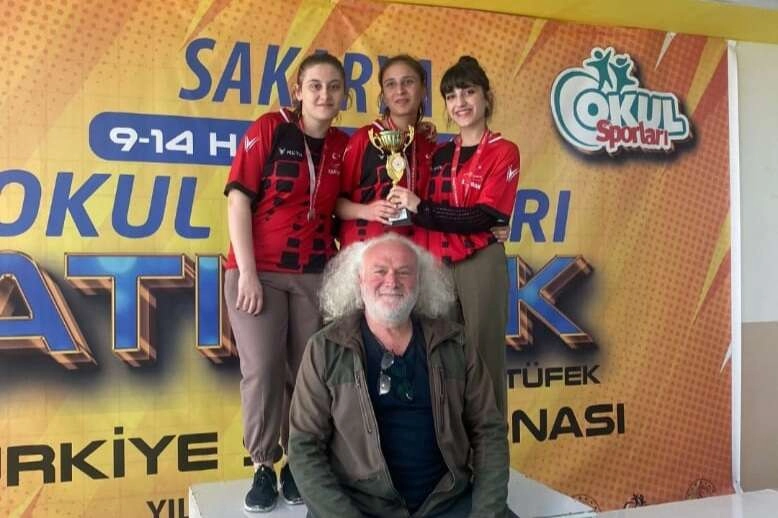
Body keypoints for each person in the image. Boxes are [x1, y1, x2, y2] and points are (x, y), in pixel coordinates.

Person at [288, 234, 509, 517]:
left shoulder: (456, 344)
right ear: (358, 280)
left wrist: (486, 513)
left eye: (404, 272)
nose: (391, 281)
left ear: (420, 281)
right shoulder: (324, 348)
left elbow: (489, 431)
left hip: (448, 504)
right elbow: (304, 446)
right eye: (379, 271)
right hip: (358, 508)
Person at [223, 52, 349, 513]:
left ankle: (298, 461)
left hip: (315, 273)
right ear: (298, 90)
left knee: (306, 373)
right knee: (263, 369)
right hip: (259, 272)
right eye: (315, 85)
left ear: (343, 94)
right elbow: (238, 201)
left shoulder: (343, 146)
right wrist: (248, 273)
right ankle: (263, 464)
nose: (324, 94)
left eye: (333, 86)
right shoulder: (270, 128)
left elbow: (343, 206)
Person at [389, 56, 521, 417]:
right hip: (438, 262)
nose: (460, 102)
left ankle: (491, 449)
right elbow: (413, 192)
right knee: (442, 357)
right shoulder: (439, 152)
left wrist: (422, 208)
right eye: (451, 96)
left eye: (468, 92)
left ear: (486, 98)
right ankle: (449, 445)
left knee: (484, 356)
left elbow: (482, 217)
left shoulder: (504, 151)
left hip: (480, 259)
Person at [335, 54, 437, 248]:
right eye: (391, 84)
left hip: (413, 252)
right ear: (383, 95)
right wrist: (366, 211)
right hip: (364, 252)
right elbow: (335, 203)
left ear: (424, 89)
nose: (400, 90)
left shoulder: (427, 144)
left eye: (408, 82)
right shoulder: (365, 139)